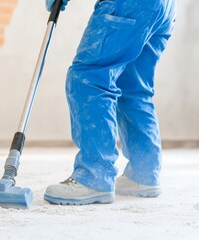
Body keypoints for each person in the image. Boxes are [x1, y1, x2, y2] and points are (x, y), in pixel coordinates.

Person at [43, 0, 177, 205]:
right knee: (133, 87)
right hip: (164, 7)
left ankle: (94, 176)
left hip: (129, 4)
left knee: (90, 78)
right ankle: (143, 174)